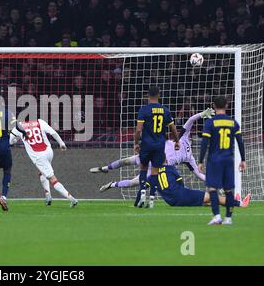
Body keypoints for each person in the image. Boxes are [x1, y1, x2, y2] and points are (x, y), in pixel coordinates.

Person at [95, 109, 215, 193]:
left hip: (157, 166)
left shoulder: (190, 159)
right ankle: (106, 168)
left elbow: (199, 175)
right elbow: (190, 120)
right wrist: (202, 114)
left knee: (134, 183)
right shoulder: (183, 137)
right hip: (152, 154)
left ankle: (112, 184)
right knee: (126, 161)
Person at [198, 96, 247, 225]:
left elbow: (204, 142)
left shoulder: (210, 122)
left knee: (212, 188)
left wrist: (200, 161)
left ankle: (217, 216)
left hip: (215, 159)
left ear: (214, 106)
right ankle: (228, 218)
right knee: (228, 189)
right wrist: (243, 159)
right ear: (227, 106)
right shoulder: (233, 123)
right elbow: (240, 142)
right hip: (228, 160)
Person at [10, 119, 78, 208]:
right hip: (49, 152)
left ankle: (72, 199)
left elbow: (10, 141)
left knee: (53, 179)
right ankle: (48, 195)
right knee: (42, 172)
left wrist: (15, 140)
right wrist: (61, 143)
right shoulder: (39, 122)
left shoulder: (18, 127)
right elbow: (53, 132)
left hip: (39, 156)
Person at [133, 86, 180, 207]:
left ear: (147, 96)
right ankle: (152, 199)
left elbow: (138, 130)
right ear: (159, 95)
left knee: (143, 168)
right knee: (155, 172)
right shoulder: (165, 110)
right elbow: (173, 128)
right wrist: (177, 141)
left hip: (147, 144)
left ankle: (143, 190)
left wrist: (136, 143)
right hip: (159, 145)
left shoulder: (144, 110)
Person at [145, 165, 251, 208]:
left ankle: (231, 201)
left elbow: (144, 186)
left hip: (171, 202)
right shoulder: (170, 168)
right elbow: (181, 184)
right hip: (181, 195)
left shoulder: (152, 176)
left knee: (206, 202)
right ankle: (240, 203)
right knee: (211, 196)